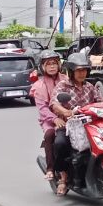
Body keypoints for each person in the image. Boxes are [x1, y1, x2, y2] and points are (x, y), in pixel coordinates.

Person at [50, 52, 103, 194]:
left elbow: (101, 101)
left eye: (84, 70)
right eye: (79, 70)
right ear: (71, 71)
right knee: (60, 144)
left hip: (89, 125)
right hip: (68, 125)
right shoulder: (63, 86)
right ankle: (63, 178)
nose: (82, 73)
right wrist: (65, 112)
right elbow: (54, 103)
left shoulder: (89, 86)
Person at [30, 50, 66, 181]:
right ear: (43, 67)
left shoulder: (66, 79)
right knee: (50, 135)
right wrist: (55, 118)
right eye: (48, 64)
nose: (52, 66)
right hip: (49, 120)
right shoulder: (39, 86)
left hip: (68, 117)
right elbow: (43, 109)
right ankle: (50, 168)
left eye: (54, 63)